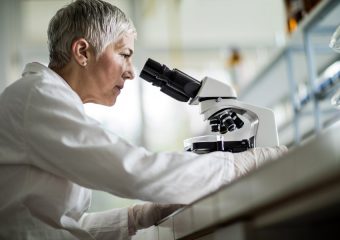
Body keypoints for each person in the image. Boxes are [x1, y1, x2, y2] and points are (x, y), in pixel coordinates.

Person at [0, 0, 287, 239]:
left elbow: (57, 226)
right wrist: (237, 167)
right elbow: (132, 169)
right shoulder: (38, 97)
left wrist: (136, 217)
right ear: (83, 52)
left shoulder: (44, 100)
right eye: (124, 55)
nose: (130, 72)